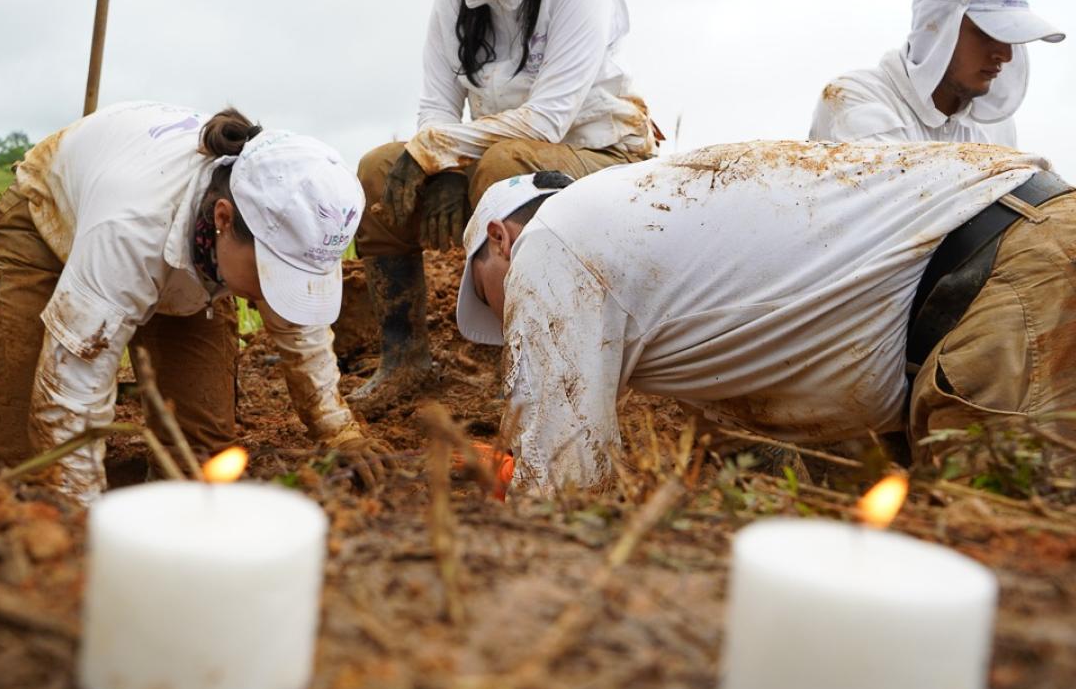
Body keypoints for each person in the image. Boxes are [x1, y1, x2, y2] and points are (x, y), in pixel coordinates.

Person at [456, 144, 1076, 494]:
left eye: (491, 302)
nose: (508, 329)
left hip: (1009, 280)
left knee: (1007, 561)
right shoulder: (649, 234)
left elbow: (560, 487)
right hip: (1021, 246)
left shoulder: (551, 243)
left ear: (500, 240)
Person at [351, 0, 659, 411]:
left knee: (502, 173)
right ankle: (405, 358)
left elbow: (547, 121)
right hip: (505, 153)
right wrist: (439, 167)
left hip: (604, 156)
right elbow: (436, 107)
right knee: (379, 167)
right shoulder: (450, 0)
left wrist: (438, 152)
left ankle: (525, 365)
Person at [0, 101, 387, 503]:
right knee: (24, 468)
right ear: (223, 219)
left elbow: (303, 331)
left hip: (189, 267)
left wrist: (338, 431)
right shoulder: (130, 226)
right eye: (272, 274)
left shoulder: (297, 225)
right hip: (50, 223)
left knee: (200, 464)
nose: (274, 296)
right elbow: (72, 386)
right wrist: (80, 519)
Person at [809, 0, 1064, 146]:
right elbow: (904, 203)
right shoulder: (855, 98)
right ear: (938, 26)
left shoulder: (995, 129)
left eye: (1010, 38)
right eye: (987, 33)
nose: (1005, 55)